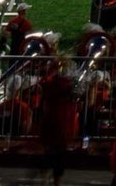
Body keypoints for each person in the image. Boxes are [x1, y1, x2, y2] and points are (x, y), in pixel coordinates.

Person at [37, 58, 77, 186]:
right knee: (59, 151)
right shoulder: (64, 83)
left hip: (51, 118)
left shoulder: (49, 82)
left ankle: (46, 178)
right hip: (62, 120)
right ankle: (56, 181)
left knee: (50, 149)